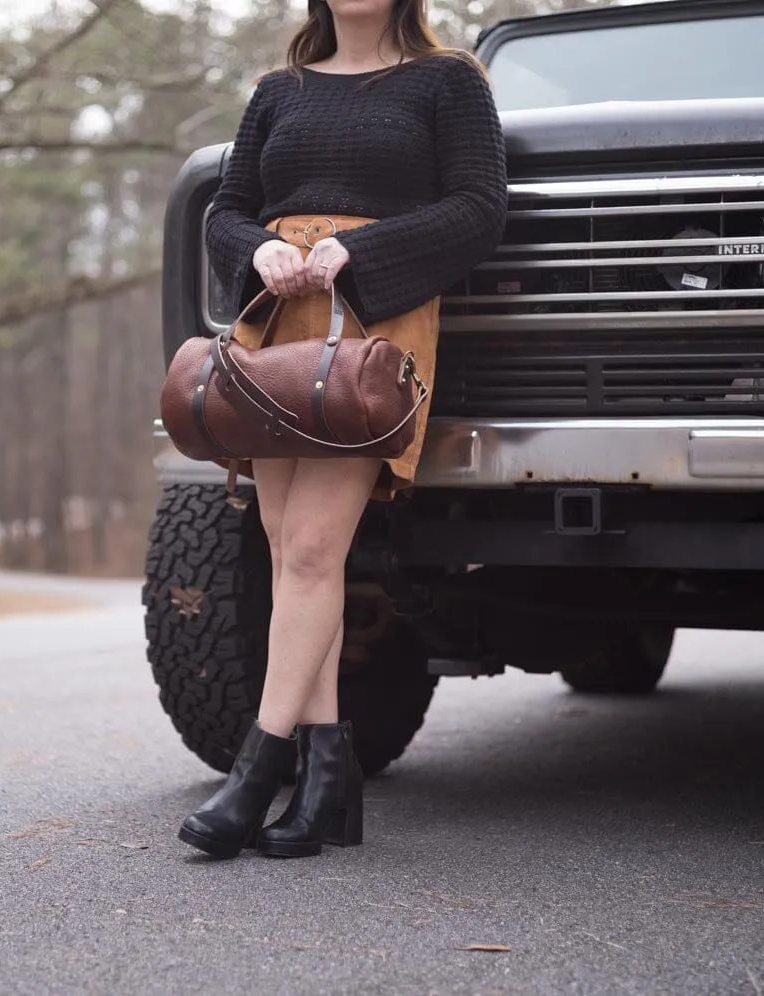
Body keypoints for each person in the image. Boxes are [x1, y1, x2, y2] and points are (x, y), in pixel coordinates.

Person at [177, 0, 508, 859]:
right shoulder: (277, 91)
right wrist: (256, 250)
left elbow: (479, 209)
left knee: (318, 551)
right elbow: (227, 208)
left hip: (373, 329)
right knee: (291, 553)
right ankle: (330, 782)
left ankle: (258, 769)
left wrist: (365, 252)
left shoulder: (449, 81)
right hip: (278, 329)